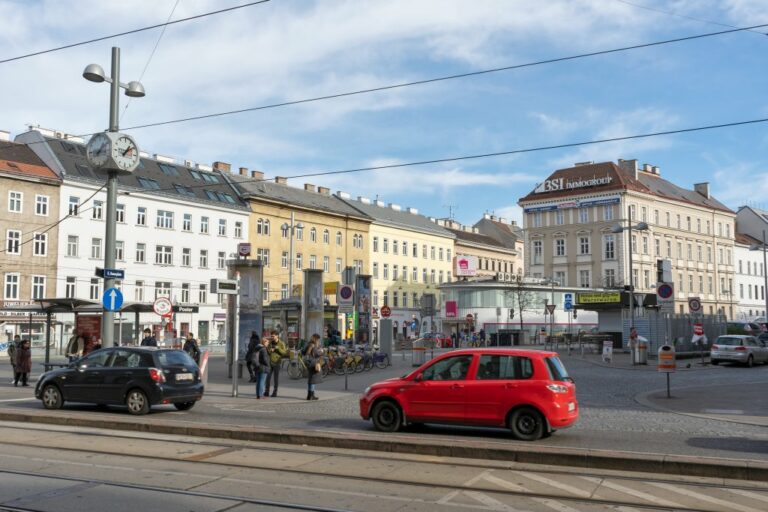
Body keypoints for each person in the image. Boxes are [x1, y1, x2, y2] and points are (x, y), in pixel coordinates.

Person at [265, 330, 287, 397]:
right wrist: (269, 349)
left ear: (277, 336)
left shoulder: (281, 343)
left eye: (273, 336)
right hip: (270, 362)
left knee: (275, 378)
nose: (272, 337)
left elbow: (284, 353)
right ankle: (267, 391)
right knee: (268, 378)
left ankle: (275, 392)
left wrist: (278, 348)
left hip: (277, 362)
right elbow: (268, 352)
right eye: (271, 336)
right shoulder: (271, 343)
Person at [304, 333, 323, 400]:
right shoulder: (313, 345)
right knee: (313, 380)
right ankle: (311, 395)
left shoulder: (308, 344)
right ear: (316, 339)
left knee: (310, 379)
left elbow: (304, 352)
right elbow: (316, 354)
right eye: (318, 339)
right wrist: (321, 351)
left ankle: (309, 395)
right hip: (313, 363)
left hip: (309, 363)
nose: (319, 341)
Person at [251, 334, 270, 399]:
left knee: (258, 381)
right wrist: (268, 365)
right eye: (267, 342)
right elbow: (265, 359)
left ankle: (258, 395)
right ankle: (261, 395)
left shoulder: (257, 348)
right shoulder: (263, 349)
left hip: (257, 367)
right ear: (264, 342)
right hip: (263, 367)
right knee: (262, 382)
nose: (268, 344)